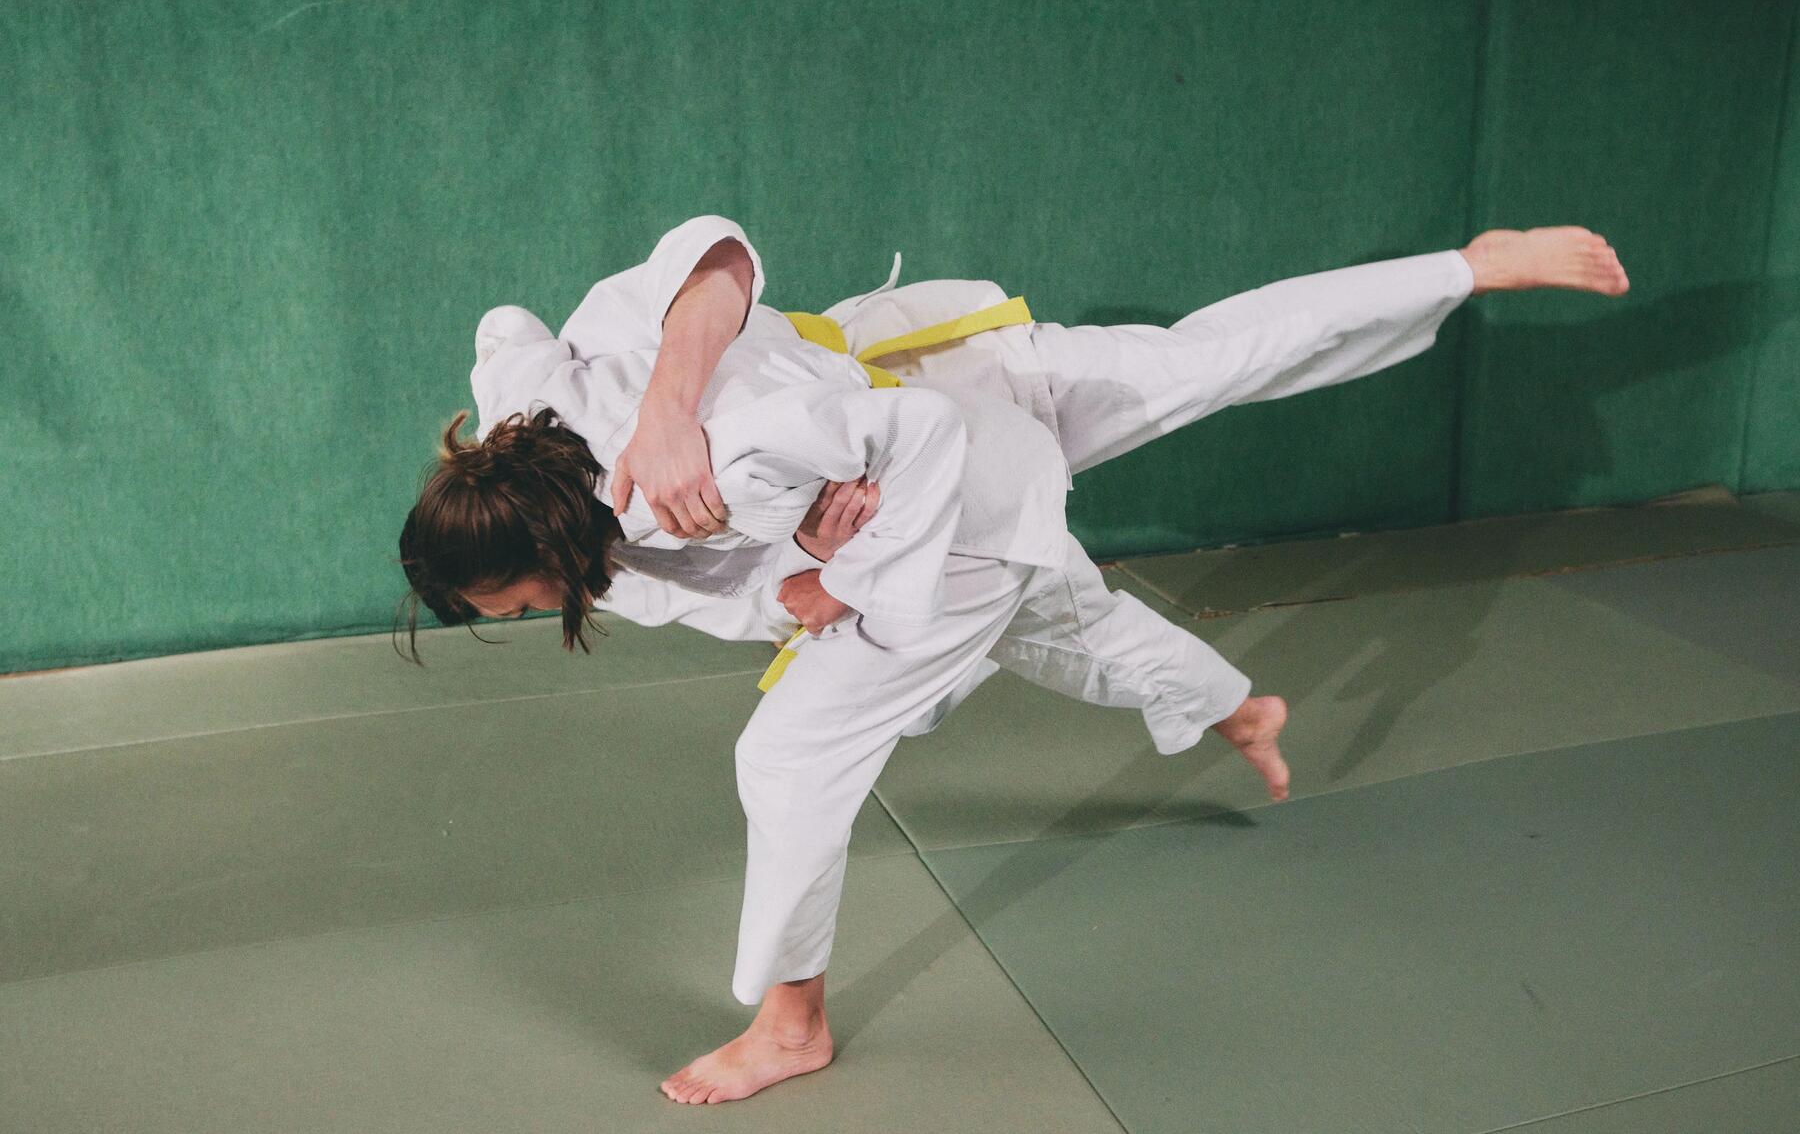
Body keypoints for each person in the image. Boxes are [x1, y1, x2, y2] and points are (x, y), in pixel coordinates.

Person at [399, 215, 1629, 1107]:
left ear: (537, 536)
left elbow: (724, 258)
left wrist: (827, 565)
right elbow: (510, 326)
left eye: (505, 598)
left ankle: (793, 1021)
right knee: (1074, 601)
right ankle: (1237, 703)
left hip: (954, 445)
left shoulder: (710, 458)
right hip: (951, 404)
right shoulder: (533, 414)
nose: (517, 616)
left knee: (787, 757)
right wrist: (795, 576)